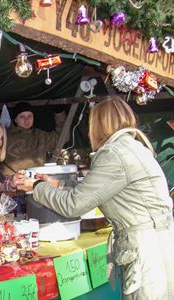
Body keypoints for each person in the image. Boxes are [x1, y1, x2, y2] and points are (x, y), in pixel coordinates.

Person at [19, 97, 174, 299]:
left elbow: (74, 205)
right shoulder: (134, 147)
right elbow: (96, 188)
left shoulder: (114, 153)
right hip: (160, 244)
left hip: (146, 252)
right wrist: (56, 183)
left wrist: (36, 187)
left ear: (98, 124)